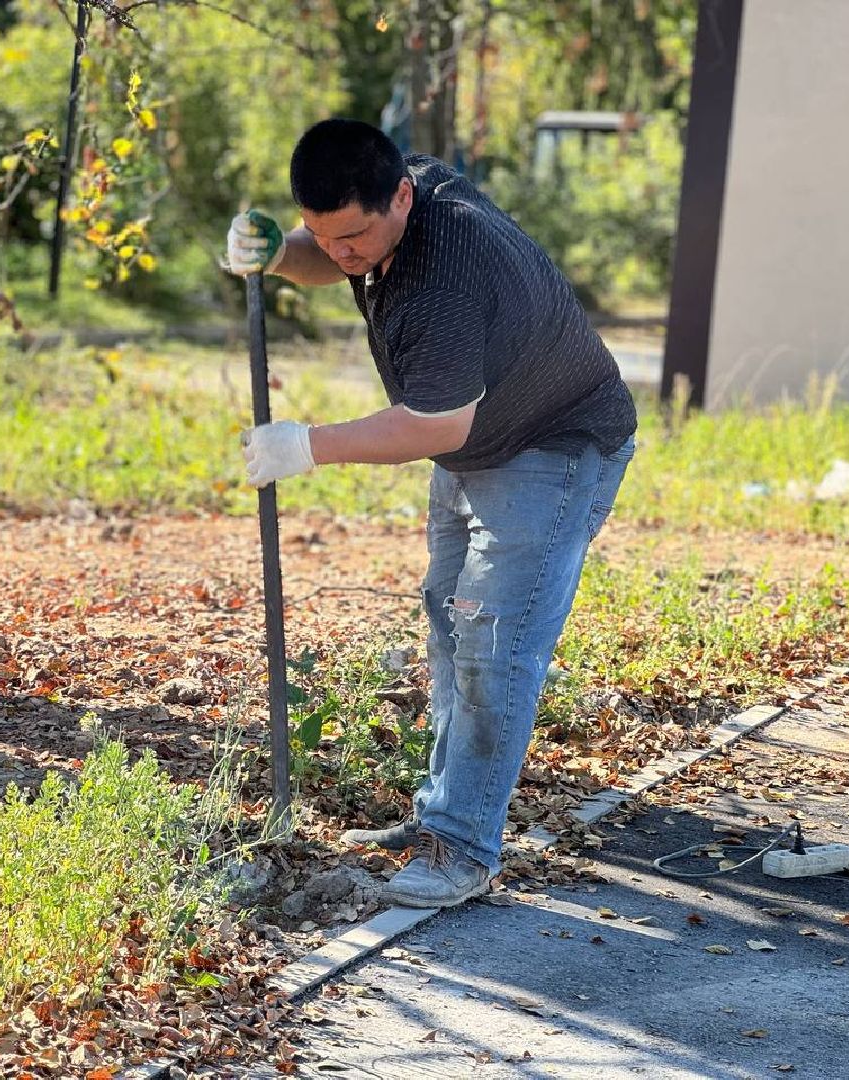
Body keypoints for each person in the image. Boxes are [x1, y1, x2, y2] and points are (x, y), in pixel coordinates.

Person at [224, 118, 637, 909]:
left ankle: (464, 849)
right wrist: (279, 254)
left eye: (353, 239)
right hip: (483, 441)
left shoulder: (441, 279)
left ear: (402, 197)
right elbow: (331, 254)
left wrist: (307, 445)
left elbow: (432, 424)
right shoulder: (385, 201)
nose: (341, 255)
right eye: (323, 235)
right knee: (450, 625)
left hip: (554, 447)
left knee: (493, 642)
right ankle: (443, 815)